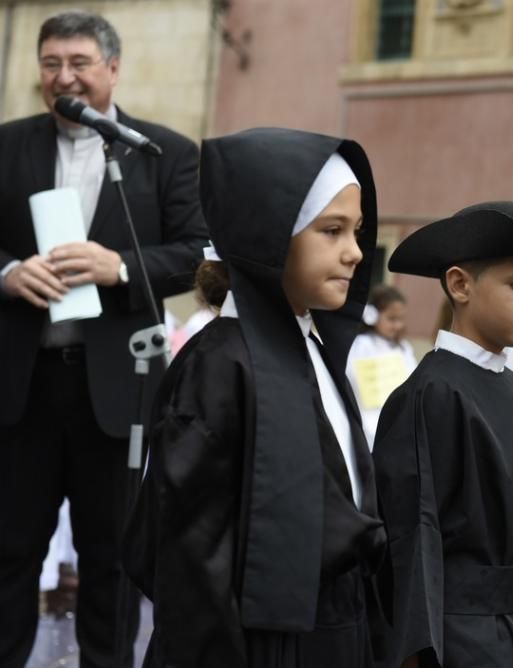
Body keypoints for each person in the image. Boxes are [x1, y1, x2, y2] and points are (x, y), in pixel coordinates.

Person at [122, 128, 387, 667]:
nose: (356, 252)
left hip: (334, 633)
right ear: (268, 235)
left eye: (357, 231)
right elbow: (188, 554)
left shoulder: (316, 348)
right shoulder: (219, 364)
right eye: (332, 230)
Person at [0, 10, 207, 667]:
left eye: (79, 63)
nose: (64, 77)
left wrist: (117, 267)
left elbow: (198, 251)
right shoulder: (6, 144)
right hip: (21, 387)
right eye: (51, 63)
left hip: (117, 396)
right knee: (7, 552)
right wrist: (6, 272)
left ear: (112, 70)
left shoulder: (162, 152)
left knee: (113, 559)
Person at [373, 201, 513, 667]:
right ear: (460, 284)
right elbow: (412, 535)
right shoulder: (430, 394)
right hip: (456, 638)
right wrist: (417, 652)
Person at [347, 285, 418, 447]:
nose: (398, 325)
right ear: (372, 315)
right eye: (392, 319)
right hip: (367, 420)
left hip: (396, 421)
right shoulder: (360, 346)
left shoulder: (403, 348)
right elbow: (353, 379)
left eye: (401, 319)